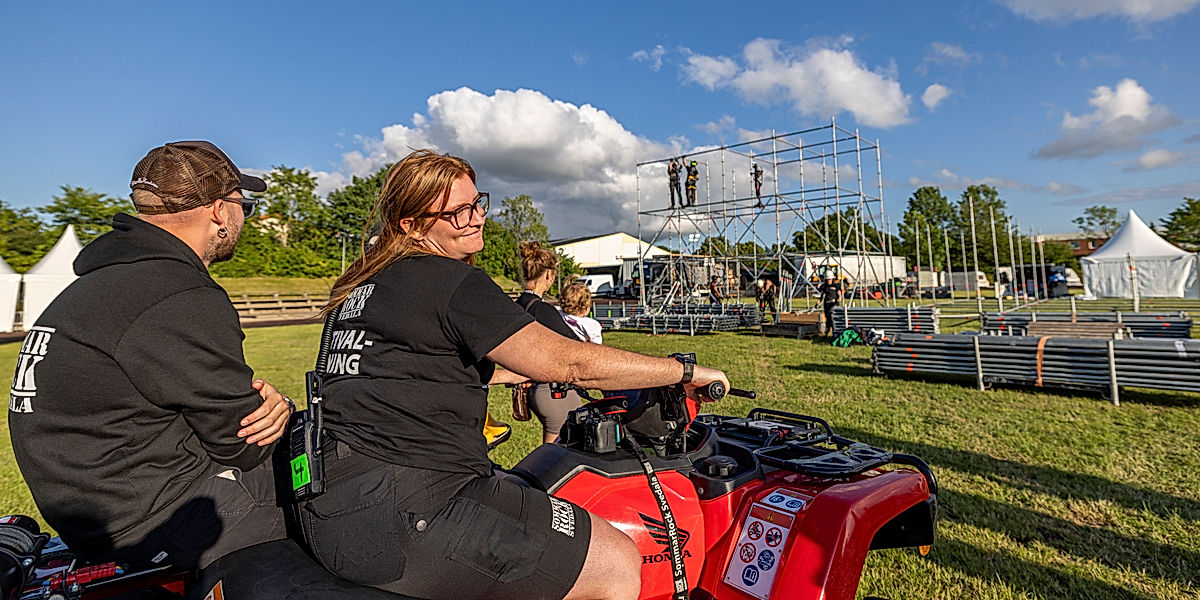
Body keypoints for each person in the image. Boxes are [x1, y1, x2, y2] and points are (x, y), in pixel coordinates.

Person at [301, 149, 729, 600]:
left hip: (342, 504)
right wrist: (682, 371)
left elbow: (409, 371)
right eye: (457, 212)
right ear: (410, 225)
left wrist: (509, 376)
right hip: (416, 509)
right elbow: (573, 363)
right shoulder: (449, 281)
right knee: (616, 561)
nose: (476, 218)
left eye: (477, 203)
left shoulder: (365, 286)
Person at [9, 141, 292, 571]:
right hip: (153, 521)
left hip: (98, 514)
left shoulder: (100, 284)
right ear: (219, 212)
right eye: (244, 206)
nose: (242, 217)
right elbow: (244, 445)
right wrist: (279, 409)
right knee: (333, 495)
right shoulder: (179, 293)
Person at [516, 241, 586, 444]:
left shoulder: (518, 305)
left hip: (532, 390)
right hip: (553, 391)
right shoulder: (542, 309)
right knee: (556, 450)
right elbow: (574, 344)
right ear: (549, 275)